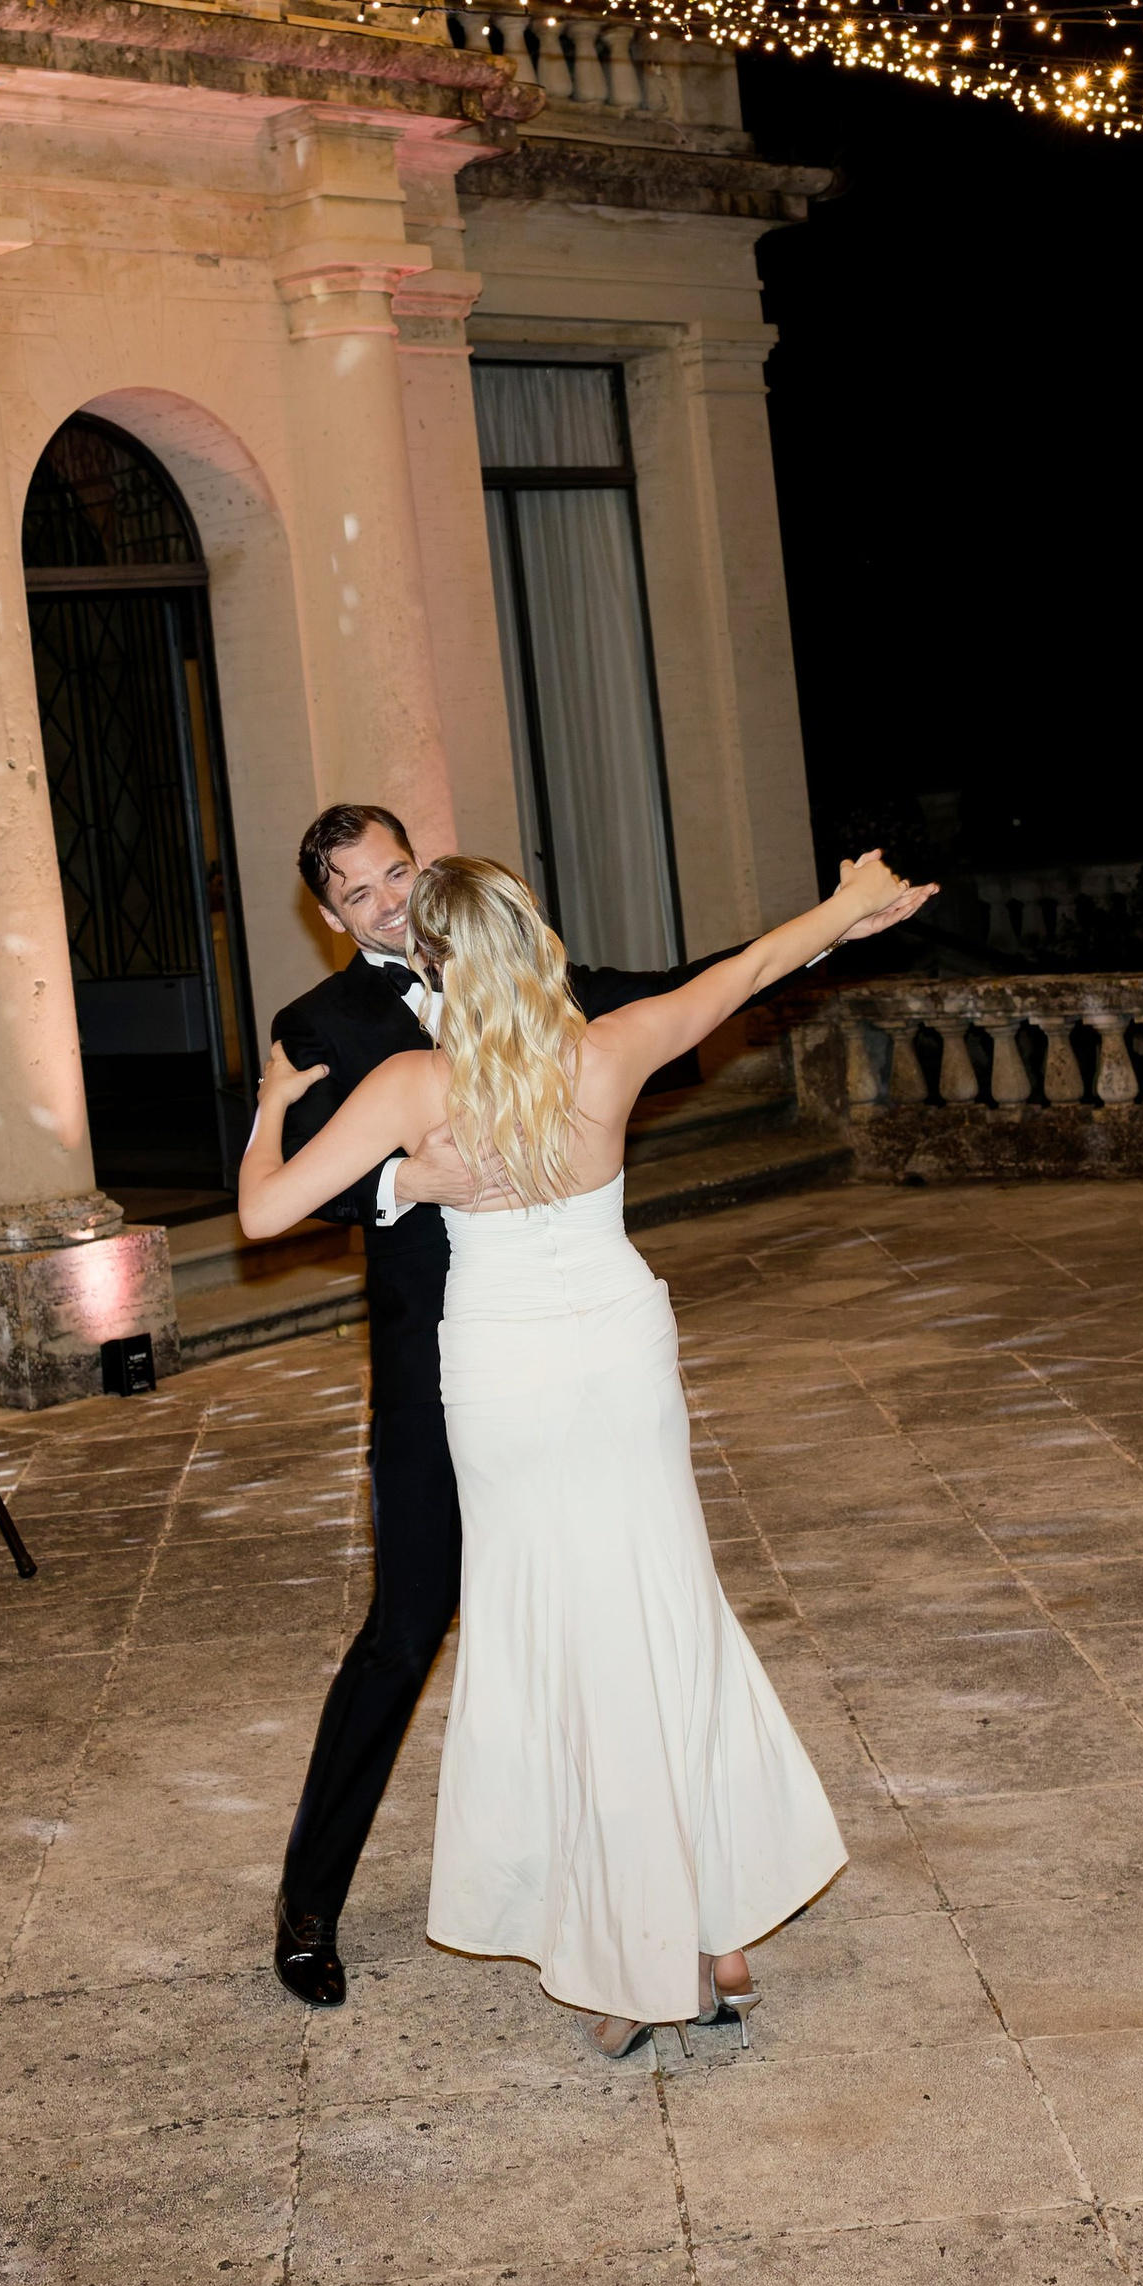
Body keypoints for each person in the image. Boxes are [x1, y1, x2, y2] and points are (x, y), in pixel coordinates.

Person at [240, 844, 935, 2057]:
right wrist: (844, 906)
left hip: (509, 1373)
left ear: (437, 961)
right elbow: (750, 970)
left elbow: (260, 1214)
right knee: (665, 1616)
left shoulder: (411, 1084)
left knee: (567, 1648)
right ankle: (716, 1928)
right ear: (536, 944)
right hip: (621, 1354)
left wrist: (267, 1111)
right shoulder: (612, 1047)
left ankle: (637, 1959)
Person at [264, 804, 715, 2011]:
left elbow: (678, 989)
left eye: (395, 873)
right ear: (330, 916)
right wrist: (405, 1179)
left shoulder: (525, 968)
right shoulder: (320, 1024)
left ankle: (623, 1875)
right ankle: (308, 1903)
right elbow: (297, 1182)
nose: (386, 903)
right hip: (434, 1367)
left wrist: (828, 929)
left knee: (592, 1611)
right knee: (408, 1624)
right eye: (357, 893)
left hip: (561, 1354)